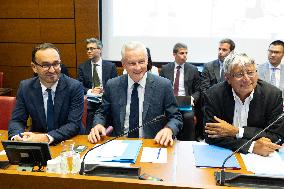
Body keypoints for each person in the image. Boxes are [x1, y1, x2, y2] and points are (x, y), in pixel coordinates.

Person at [88, 41, 182, 147]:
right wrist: (98, 124)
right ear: (123, 64)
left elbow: (175, 117)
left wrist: (169, 129)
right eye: (132, 63)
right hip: (119, 144)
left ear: (147, 61)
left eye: (141, 62)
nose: (138, 68)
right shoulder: (112, 85)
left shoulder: (163, 85)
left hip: (152, 144)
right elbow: (102, 113)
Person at [204, 53, 283, 156]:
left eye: (250, 72)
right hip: (225, 153)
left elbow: (277, 136)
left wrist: (236, 131)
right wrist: (251, 146)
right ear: (227, 78)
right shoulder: (214, 95)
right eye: (239, 74)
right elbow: (211, 135)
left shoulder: (272, 95)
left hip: (262, 156)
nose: (246, 79)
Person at [8, 43, 84, 144]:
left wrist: (46, 138)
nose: (52, 70)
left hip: (70, 141)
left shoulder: (74, 86)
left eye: (56, 64)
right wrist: (16, 136)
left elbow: (74, 124)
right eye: (46, 65)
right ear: (34, 67)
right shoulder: (25, 87)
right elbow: (17, 120)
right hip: (37, 141)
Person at [160, 42, 200, 141]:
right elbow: (160, 88)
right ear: (174, 54)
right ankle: (167, 139)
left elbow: (198, 90)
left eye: (186, 53)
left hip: (186, 101)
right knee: (163, 117)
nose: (185, 56)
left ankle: (189, 143)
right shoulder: (165, 69)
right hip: (170, 101)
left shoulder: (193, 69)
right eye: (182, 53)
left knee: (188, 117)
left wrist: (192, 99)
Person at [77, 38, 117, 133]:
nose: (89, 51)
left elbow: (115, 85)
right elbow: (79, 85)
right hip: (91, 104)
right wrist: (90, 91)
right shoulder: (83, 66)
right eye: (87, 49)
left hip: (107, 104)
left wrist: (104, 90)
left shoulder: (110, 66)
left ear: (100, 49)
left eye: (92, 48)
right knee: (90, 132)